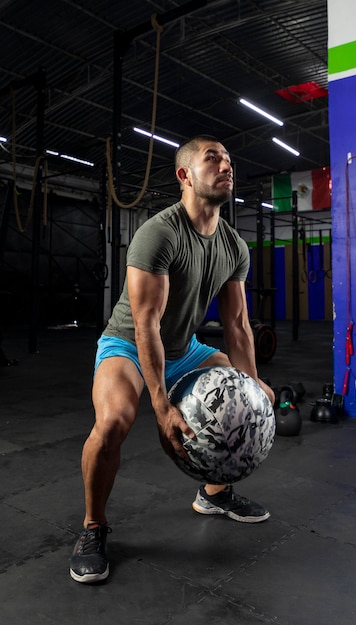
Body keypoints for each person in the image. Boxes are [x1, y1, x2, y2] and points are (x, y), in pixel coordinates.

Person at [69, 135, 275, 584]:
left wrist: (253, 383)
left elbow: (238, 324)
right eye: (212, 158)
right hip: (127, 343)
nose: (226, 165)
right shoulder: (159, 233)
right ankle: (93, 526)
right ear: (184, 175)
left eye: (228, 159)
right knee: (112, 423)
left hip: (184, 347)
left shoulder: (234, 246)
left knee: (238, 400)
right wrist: (161, 406)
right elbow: (145, 326)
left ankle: (214, 493)